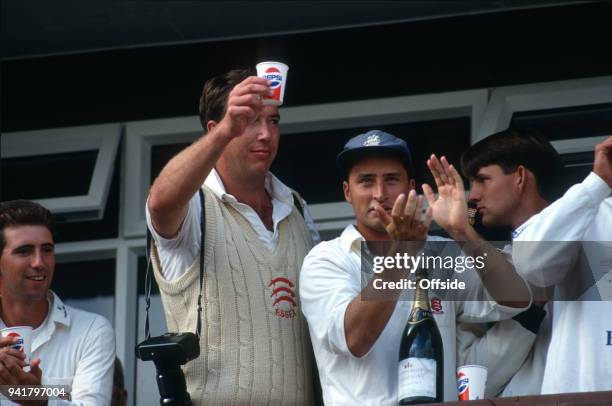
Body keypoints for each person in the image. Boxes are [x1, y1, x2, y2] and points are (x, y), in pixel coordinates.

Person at [299, 130, 531, 405]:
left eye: (391, 180)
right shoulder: (326, 258)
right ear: (347, 191)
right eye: (366, 181)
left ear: (410, 186)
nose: (380, 193)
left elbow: (516, 299)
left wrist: (461, 231)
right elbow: (354, 338)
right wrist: (404, 252)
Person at [146, 68, 320, 405]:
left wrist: (403, 249)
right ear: (216, 130)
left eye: (274, 121)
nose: (266, 134)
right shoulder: (195, 205)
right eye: (250, 121)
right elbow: (160, 203)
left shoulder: (296, 206)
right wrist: (228, 129)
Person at [444, 130, 567, 396]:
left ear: (520, 177)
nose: (473, 196)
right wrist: (528, 315)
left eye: (482, 180)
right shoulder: (473, 264)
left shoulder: (595, 235)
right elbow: (472, 381)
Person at [510, 135, 612, 394]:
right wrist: (598, 182)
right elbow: (531, 264)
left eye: (483, 179)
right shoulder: (588, 213)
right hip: (584, 395)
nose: (474, 196)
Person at [0, 200, 115, 405]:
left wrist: (38, 399)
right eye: (24, 251)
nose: (39, 262)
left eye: (47, 249)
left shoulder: (91, 329)